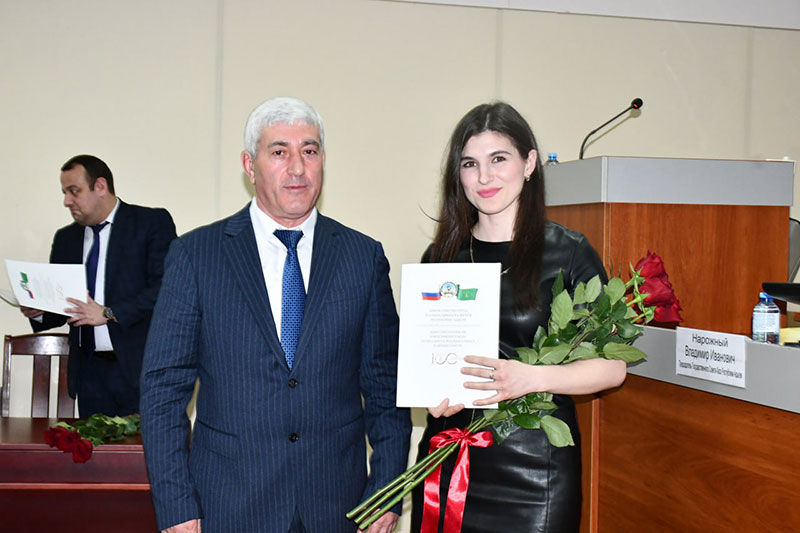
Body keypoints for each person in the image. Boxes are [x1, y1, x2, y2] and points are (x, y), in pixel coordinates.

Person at [140, 96, 411, 533]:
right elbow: (163, 391)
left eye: (310, 150)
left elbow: (385, 385)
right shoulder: (197, 255)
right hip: (229, 506)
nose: (298, 168)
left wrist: (386, 492)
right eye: (280, 152)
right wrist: (176, 506)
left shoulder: (362, 257)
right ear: (249, 166)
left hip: (338, 507)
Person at [410, 102, 627, 532]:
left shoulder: (568, 252)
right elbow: (428, 357)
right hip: (450, 456)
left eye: (498, 159)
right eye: (470, 164)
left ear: (529, 164)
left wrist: (532, 378)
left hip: (535, 470)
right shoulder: (440, 256)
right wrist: (429, 390)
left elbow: (613, 367)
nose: (484, 177)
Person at [20, 154, 176, 417]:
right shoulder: (66, 238)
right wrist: (39, 311)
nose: (67, 201)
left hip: (139, 369)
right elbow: (63, 307)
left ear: (100, 186)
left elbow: (166, 288)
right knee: (92, 445)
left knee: (143, 445)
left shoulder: (149, 223)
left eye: (74, 191)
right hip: (89, 374)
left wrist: (107, 313)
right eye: (65, 193)